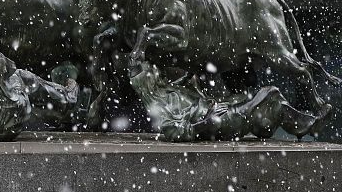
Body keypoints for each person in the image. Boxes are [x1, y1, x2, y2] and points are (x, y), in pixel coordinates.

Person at [128, 56, 324, 141]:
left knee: (258, 100)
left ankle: (297, 125)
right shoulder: (159, 105)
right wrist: (205, 123)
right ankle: (305, 125)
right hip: (219, 121)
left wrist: (192, 72)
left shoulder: (169, 89)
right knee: (270, 93)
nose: (157, 71)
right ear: (148, 82)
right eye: (152, 72)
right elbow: (175, 132)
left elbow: (192, 87)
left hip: (218, 107)